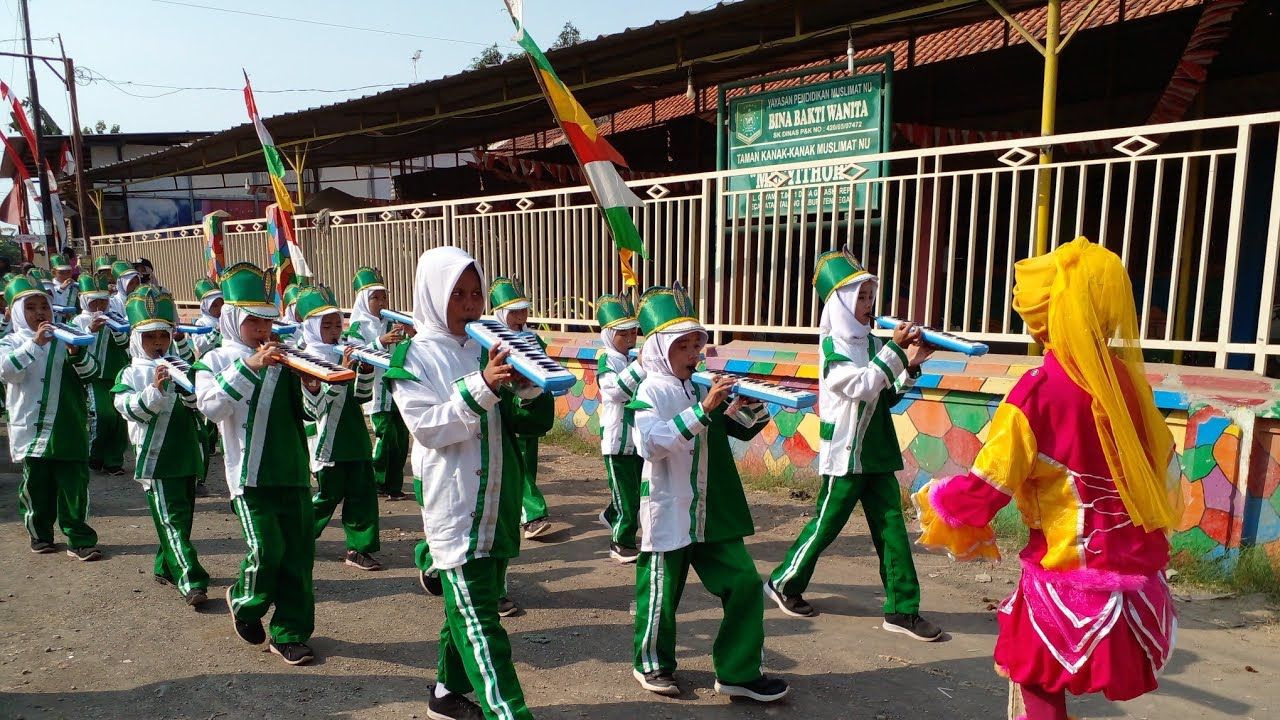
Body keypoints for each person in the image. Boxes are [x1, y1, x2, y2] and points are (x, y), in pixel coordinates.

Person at [913, 237, 1180, 720]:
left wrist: (941, 501)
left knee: (1032, 675)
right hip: (1135, 574)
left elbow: (988, 487)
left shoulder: (1038, 390)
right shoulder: (1127, 385)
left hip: (1064, 575)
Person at [388, 247, 553, 720]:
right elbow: (427, 428)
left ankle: (445, 694)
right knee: (481, 620)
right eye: (456, 294)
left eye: (476, 293)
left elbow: (530, 425)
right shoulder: (413, 355)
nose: (468, 303)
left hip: (500, 500)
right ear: (432, 295)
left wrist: (530, 386)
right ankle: (508, 712)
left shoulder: (494, 346)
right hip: (456, 505)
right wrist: (481, 385)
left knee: (464, 609)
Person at [765, 249, 943, 642]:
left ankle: (902, 609)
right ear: (841, 303)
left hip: (877, 452)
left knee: (893, 530)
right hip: (846, 454)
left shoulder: (872, 343)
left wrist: (912, 362)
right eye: (859, 297)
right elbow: (862, 386)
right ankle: (784, 582)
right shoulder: (834, 350)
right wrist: (897, 353)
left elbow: (887, 395)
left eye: (869, 296)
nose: (868, 305)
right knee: (827, 525)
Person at [628, 283, 789, 702]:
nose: (694, 354)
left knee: (745, 583)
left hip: (712, 509)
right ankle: (652, 663)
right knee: (662, 592)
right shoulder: (651, 390)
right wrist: (702, 411)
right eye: (684, 346)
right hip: (670, 506)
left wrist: (755, 403)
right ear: (662, 349)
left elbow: (739, 428)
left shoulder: (701, 386)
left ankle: (738, 671)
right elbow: (651, 443)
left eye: (698, 344)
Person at [193, 262, 316, 666]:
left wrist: (314, 387)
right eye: (253, 323)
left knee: (298, 557)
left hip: (294, 470)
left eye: (267, 323)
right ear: (231, 320)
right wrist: (249, 367)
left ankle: (290, 632)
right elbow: (211, 408)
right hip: (249, 475)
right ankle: (244, 600)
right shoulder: (214, 360)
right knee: (267, 549)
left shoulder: (289, 357)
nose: (263, 332)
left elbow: (311, 415)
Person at [112, 287, 209, 606]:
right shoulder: (131, 371)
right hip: (156, 459)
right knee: (171, 521)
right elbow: (126, 407)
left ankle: (165, 566)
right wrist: (154, 390)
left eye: (163, 337)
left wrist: (190, 392)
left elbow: (200, 405)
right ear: (137, 338)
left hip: (186, 455)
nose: (157, 344)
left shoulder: (182, 365)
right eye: (150, 337)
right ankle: (191, 579)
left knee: (179, 520)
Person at [0, 275, 103, 559]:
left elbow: (93, 372)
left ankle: (79, 538)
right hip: (31, 426)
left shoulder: (67, 335)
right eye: (30, 308)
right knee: (37, 485)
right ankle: (40, 533)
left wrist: (77, 353)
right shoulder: (10, 342)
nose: (39, 313)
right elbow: (9, 372)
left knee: (74, 486)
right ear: (18, 312)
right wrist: (34, 343)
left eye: (44, 306)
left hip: (68, 423)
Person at [294, 285, 383, 572]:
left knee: (363, 494)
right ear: (310, 327)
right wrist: (341, 374)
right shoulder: (304, 359)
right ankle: (297, 537)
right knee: (327, 496)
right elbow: (315, 407)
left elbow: (361, 396)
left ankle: (359, 548)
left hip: (354, 436)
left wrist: (365, 371)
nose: (334, 331)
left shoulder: (344, 350)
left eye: (337, 324)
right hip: (327, 439)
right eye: (327, 325)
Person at [489, 277, 552, 541]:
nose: (520, 316)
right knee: (518, 460)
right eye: (513, 311)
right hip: (506, 408)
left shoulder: (533, 337)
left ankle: (519, 510)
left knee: (529, 459)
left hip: (532, 406)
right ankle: (533, 514)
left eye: (524, 310)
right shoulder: (490, 339)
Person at [344, 267, 411, 501]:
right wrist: (379, 342)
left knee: (402, 440)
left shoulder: (394, 321)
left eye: (384, 296)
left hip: (398, 389)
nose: (381, 301)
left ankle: (394, 485)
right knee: (386, 436)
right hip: (376, 392)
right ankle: (378, 480)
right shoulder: (358, 326)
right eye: (375, 297)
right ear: (364, 300)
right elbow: (355, 352)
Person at [593, 293, 644, 563]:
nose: (630, 338)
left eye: (633, 332)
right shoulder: (607, 359)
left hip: (636, 437)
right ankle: (620, 542)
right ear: (609, 334)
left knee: (632, 491)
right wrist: (640, 367)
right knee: (627, 493)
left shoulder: (631, 358)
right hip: (616, 439)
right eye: (622, 334)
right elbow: (614, 391)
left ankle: (612, 515)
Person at [71, 273, 131, 476]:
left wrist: (115, 327)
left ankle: (114, 461)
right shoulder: (78, 321)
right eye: (94, 301)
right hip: (95, 376)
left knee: (120, 419)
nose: (99, 306)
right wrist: (91, 329)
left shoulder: (116, 317)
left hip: (117, 373)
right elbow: (76, 348)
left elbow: (125, 344)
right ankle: (95, 454)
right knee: (103, 416)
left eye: (103, 301)